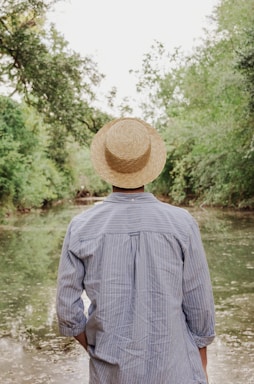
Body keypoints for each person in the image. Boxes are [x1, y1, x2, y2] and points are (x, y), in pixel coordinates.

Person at [56, 117, 215, 384]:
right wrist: (200, 367)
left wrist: (96, 350)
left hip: (110, 374)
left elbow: (67, 312)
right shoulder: (182, 224)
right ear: (149, 166)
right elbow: (200, 311)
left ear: (106, 167)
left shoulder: (81, 227)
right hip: (175, 372)